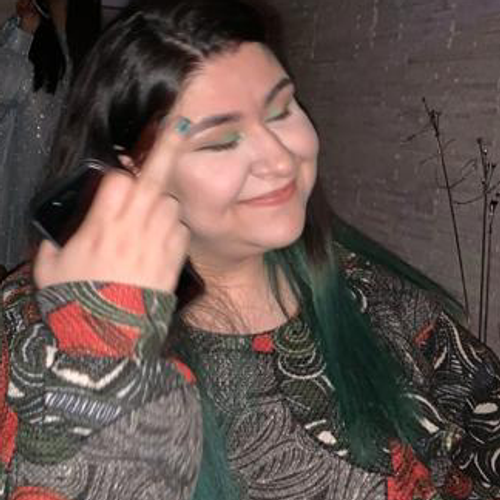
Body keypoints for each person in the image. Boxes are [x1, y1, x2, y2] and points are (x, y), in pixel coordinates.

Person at [1, 0, 500, 499]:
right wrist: (100, 365)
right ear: (134, 168)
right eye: (221, 140)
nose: (280, 159)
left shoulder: (379, 297)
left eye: (281, 110)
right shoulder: (37, 330)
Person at [0, 0, 101, 271]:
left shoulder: (33, 60)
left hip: (24, 188)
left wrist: (23, 32)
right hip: (52, 187)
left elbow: (7, 84)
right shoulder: (71, 59)